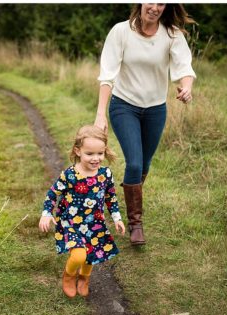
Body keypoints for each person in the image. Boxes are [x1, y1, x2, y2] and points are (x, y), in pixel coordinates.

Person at [95, 3, 196, 246]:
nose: (155, 7)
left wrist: (187, 86)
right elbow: (107, 75)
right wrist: (100, 114)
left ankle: (125, 202)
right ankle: (135, 224)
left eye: (162, 3)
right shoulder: (120, 31)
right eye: (151, 1)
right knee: (135, 162)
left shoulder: (171, 34)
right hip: (124, 106)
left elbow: (185, 67)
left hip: (155, 110)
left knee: (144, 165)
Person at [39, 126, 126, 298]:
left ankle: (84, 278)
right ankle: (69, 275)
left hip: (95, 222)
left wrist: (117, 218)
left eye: (100, 154)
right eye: (90, 154)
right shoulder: (70, 175)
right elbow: (52, 194)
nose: (96, 159)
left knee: (92, 254)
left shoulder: (105, 174)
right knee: (79, 256)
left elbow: (111, 196)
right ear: (78, 151)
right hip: (71, 222)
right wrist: (46, 213)